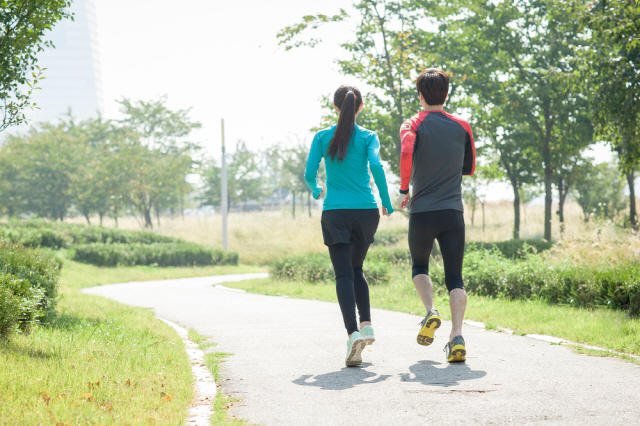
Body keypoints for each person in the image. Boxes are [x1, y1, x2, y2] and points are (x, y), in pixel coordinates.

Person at [305, 84, 394, 367]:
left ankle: (352, 333)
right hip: (366, 212)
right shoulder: (369, 137)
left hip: (336, 213)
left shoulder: (321, 136)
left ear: (335, 107)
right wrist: (386, 201)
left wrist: (317, 188)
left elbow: (309, 174)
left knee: (344, 274)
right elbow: (377, 167)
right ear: (360, 106)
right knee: (358, 269)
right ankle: (366, 324)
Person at [397, 69, 475, 363]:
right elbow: (469, 167)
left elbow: (406, 150)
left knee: (419, 266)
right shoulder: (462, 125)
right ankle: (457, 337)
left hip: (422, 212)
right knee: (455, 277)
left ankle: (430, 311)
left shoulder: (413, 123)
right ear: (447, 93)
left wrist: (405, 188)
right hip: (452, 211)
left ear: (420, 95)